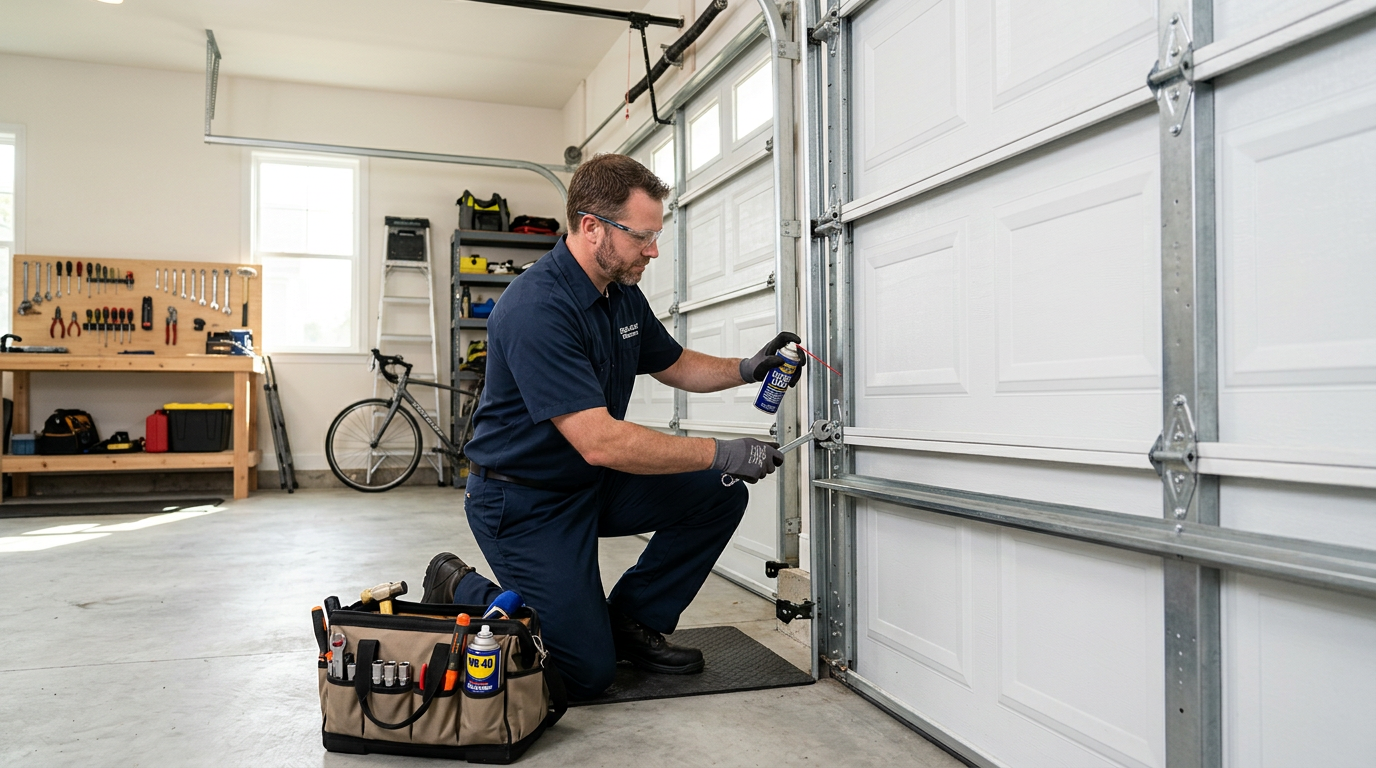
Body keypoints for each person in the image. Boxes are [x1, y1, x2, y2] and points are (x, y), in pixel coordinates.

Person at [420, 153, 803, 700]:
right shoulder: (537, 307)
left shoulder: (620, 292)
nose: (653, 250)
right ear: (591, 226)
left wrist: (747, 368)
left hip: (588, 484)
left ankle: (630, 620)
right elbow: (600, 441)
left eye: (655, 235)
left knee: (717, 494)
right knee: (584, 674)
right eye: (642, 236)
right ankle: (460, 584)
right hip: (524, 503)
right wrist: (721, 451)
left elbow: (674, 363)